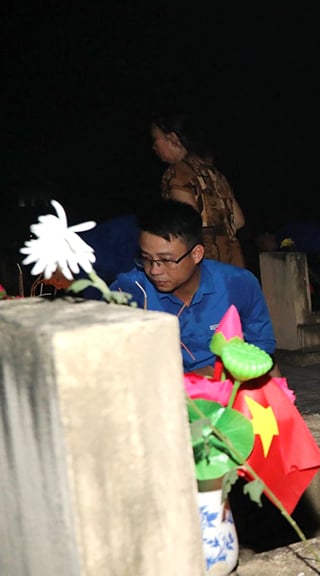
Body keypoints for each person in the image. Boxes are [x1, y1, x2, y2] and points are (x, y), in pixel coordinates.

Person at [112, 199, 278, 377]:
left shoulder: (238, 284)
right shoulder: (129, 291)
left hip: (225, 384)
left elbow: (263, 347)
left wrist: (218, 372)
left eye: (166, 260)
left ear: (196, 254)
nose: (154, 270)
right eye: (146, 258)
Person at [151, 112, 248, 268]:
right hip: (233, 261)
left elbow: (185, 223)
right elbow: (238, 220)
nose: (153, 146)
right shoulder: (214, 172)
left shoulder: (177, 173)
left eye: (156, 139)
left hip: (204, 264)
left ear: (172, 139)